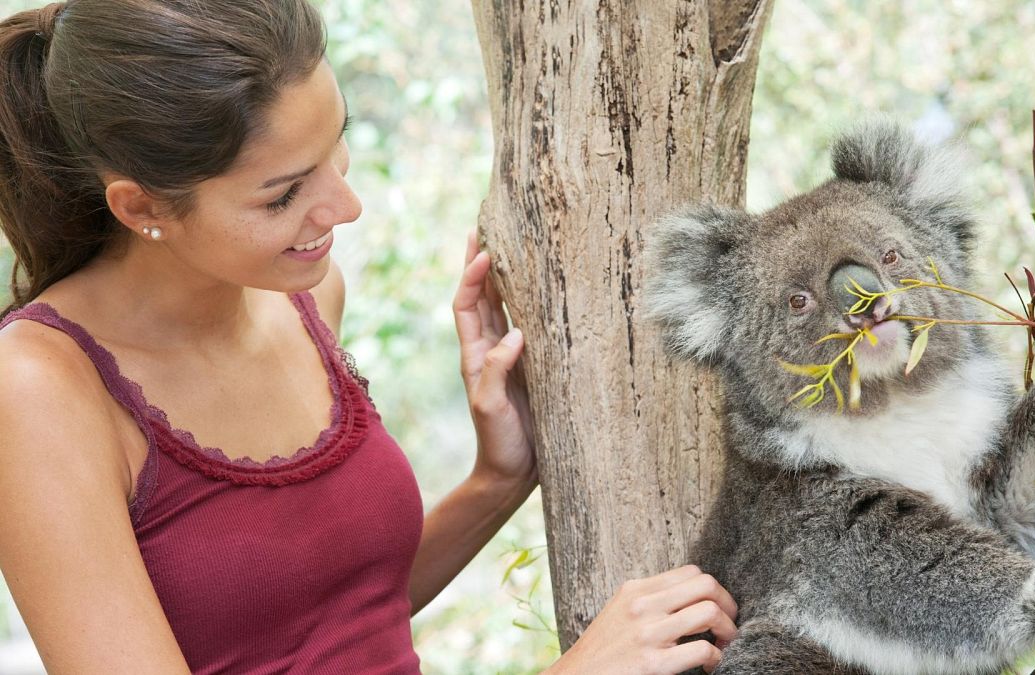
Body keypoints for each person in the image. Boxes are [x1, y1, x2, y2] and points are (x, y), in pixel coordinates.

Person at [0, 1, 737, 673]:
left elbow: (321, 621)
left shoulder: (307, 298)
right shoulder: (38, 387)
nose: (344, 206)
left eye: (337, 144)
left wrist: (498, 478)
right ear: (141, 205)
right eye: (284, 193)